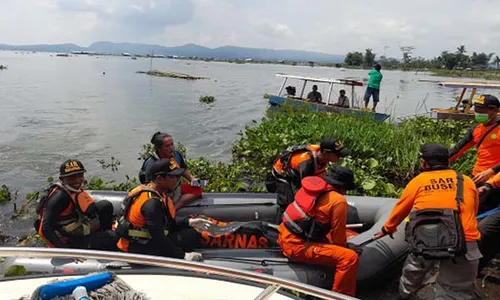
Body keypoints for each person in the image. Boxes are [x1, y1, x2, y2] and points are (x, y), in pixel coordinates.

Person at [374, 143, 482, 299]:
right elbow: (474, 210)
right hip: (464, 242)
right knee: (456, 291)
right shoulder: (466, 181)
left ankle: (405, 296)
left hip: (427, 239)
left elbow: (401, 209)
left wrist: (387, 229)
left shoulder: (418, 181)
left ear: (424, 162)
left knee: (412, 275)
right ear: (448, 162)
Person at [277, 166, 360, 296]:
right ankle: (340, 297)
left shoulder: (309, 189)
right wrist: (347, 248)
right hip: (297, 247)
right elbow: (338, 238)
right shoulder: (338, 201)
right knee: (349, 258)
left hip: (284, 235)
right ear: (343, 187)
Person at [117, 158, 212, 261]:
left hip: (147, 238)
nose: (176, 179)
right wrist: (183, 256)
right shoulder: (151, 203)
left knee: (188, 231)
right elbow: (158, 238)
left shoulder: (157, 192)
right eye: (172, 177)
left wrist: (189, 222)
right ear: (159, 179)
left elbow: (165, 222)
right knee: (189, 237)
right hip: (137, 247)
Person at [35, 159, 117, 250]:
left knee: (106, 206)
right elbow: (44, 229)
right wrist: (64, 250)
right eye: (72, 177)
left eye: (80, 176)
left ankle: (103, 233)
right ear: (62, 179)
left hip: (77, 222)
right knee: (113, 237)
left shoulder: (73, 189)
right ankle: (101, 241)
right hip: (70, 236)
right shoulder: (60, 197)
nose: (77, 180)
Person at [270, 138, 349, 219]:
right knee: (288, 202)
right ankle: (281, 224)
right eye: (338, 155)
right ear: (325, 153)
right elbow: (305, 189)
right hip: (283, 172)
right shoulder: (307, 164)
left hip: (301, 171)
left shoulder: (321, 156)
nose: (340, 158)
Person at [139, 132, 203, 210]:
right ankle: (171, 209)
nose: (171, 148)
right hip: (162, 192)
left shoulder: (176, 155)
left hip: (176, 187)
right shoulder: (151, 164)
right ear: (159, 148)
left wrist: (192, 179)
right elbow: (149, 186)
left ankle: (176, 206)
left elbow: (183, 169)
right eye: (167, 146)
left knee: (198, 190)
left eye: (172, 144)